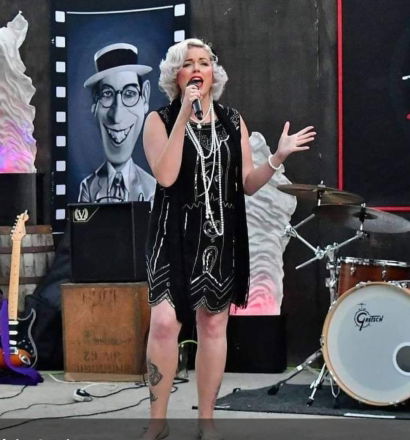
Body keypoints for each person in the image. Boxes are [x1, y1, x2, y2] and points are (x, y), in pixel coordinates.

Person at [142, 38, 316, 440]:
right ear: (176, 76)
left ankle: (206, 421)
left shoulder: (232, 121)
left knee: (213, 324)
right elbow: (166, 176)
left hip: (218, 238)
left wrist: (277, 158)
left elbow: (248, 184)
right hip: (171, 237)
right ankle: (157, 422)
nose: (197, 69)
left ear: (213, 73)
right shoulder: (158, 120)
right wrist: (184, 115)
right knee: (164, 323)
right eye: (188, 63)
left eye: (204, 62)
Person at [78, 43, 156, 203]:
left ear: (145, 97)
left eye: (129, 94)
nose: (117, 116)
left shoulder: (152, 189)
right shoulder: (88, 187)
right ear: (94, 103)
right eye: (107, 94)